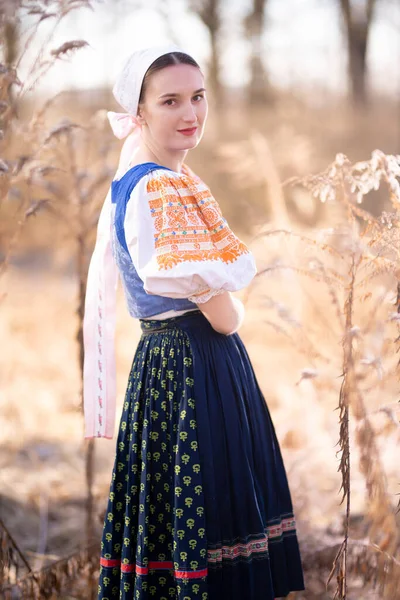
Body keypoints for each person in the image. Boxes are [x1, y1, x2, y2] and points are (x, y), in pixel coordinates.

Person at [83, 44, 305, 600]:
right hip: (195, 366)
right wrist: (232, 306)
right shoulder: (162, 186)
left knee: (176, 522)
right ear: (139, 114)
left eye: (198, 97)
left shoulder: (142, 181)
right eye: (170, 101)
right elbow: (225, 318)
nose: (190, 114)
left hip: (163, 364)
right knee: (211, 516)